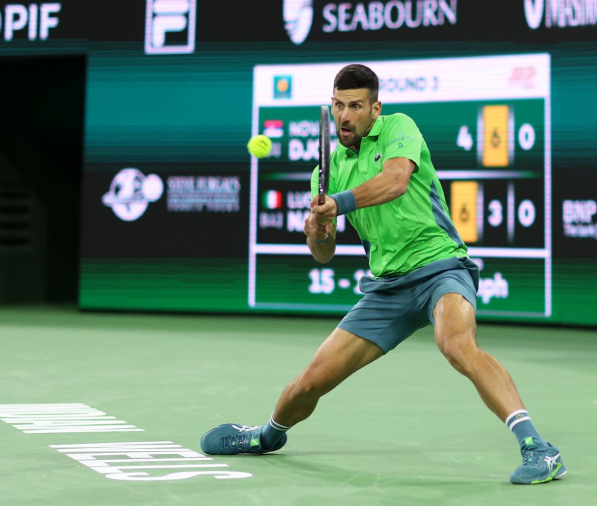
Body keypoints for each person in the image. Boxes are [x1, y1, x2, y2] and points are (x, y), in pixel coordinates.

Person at [200, 64, 566, 485]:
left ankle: (539, 448)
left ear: (375, 108)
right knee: (310, 383)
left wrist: (336, 205)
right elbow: (323, 254)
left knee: (456, 344)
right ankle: (264, 436)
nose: (344, 116)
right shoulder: (328, 171)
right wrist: (315, 231)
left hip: (439, 268)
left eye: (355, 106)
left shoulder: (398, 128)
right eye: (338, 106)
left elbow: (394, 180)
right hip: (386, 289)